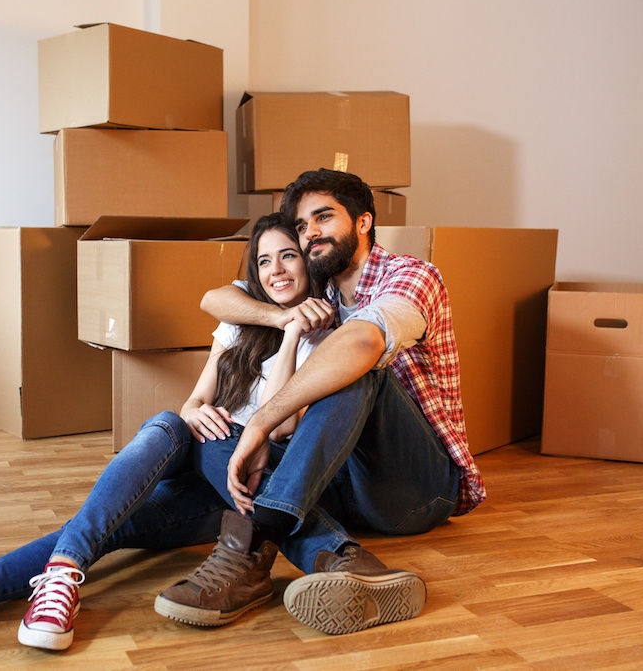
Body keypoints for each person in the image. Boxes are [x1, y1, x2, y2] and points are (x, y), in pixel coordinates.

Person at [0, 213, 363, 651]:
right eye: (263, 261)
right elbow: (194, 401)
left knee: (105, 523)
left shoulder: (328, 335)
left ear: (308, 263)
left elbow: (282, 428)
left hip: (239, 486)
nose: (276, 270)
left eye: (287, 257)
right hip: (198, 454)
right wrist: (195, 413)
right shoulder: (241, 326)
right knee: (163, 433)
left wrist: (295, 332)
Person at [169, 168, 486, 636]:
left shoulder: (413, 275)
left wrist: (260, 424)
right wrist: (282, 317)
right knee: (209, 433)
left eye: (323, 217)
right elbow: (217, 299)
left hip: (417, 489)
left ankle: (255, 540)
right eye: (302, 226)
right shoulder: (323, 293)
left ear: (362, 222)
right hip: (347, 486)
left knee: (357, 369)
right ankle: (346, 562)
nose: (310, 232)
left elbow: (361, 343)